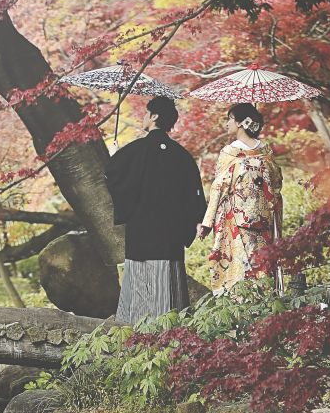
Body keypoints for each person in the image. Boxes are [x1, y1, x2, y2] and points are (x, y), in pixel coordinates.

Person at [105, 95, 207, 325]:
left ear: (154, 116)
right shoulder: (182, 155)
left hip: (141, 233)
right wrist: (197, 220)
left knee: (140, 286)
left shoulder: (136, 150)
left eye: (145, 113)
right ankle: (171, 331)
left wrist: (114, 157)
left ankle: (138, 332)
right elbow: (194, 193)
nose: (143, 117)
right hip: (171, 236)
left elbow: (115, 175)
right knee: (169, 288)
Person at [198, 102, 283, 296]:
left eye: (230, 118)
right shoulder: (266, 152)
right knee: (262, 263)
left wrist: (208, 221)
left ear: (241, 123)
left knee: (240, 265)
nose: (227, 123)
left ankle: (242, 304)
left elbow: (218, 188)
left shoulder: (229, 153)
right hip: (264, 219)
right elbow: (277, 185)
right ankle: (265, 303)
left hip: (236, 219)